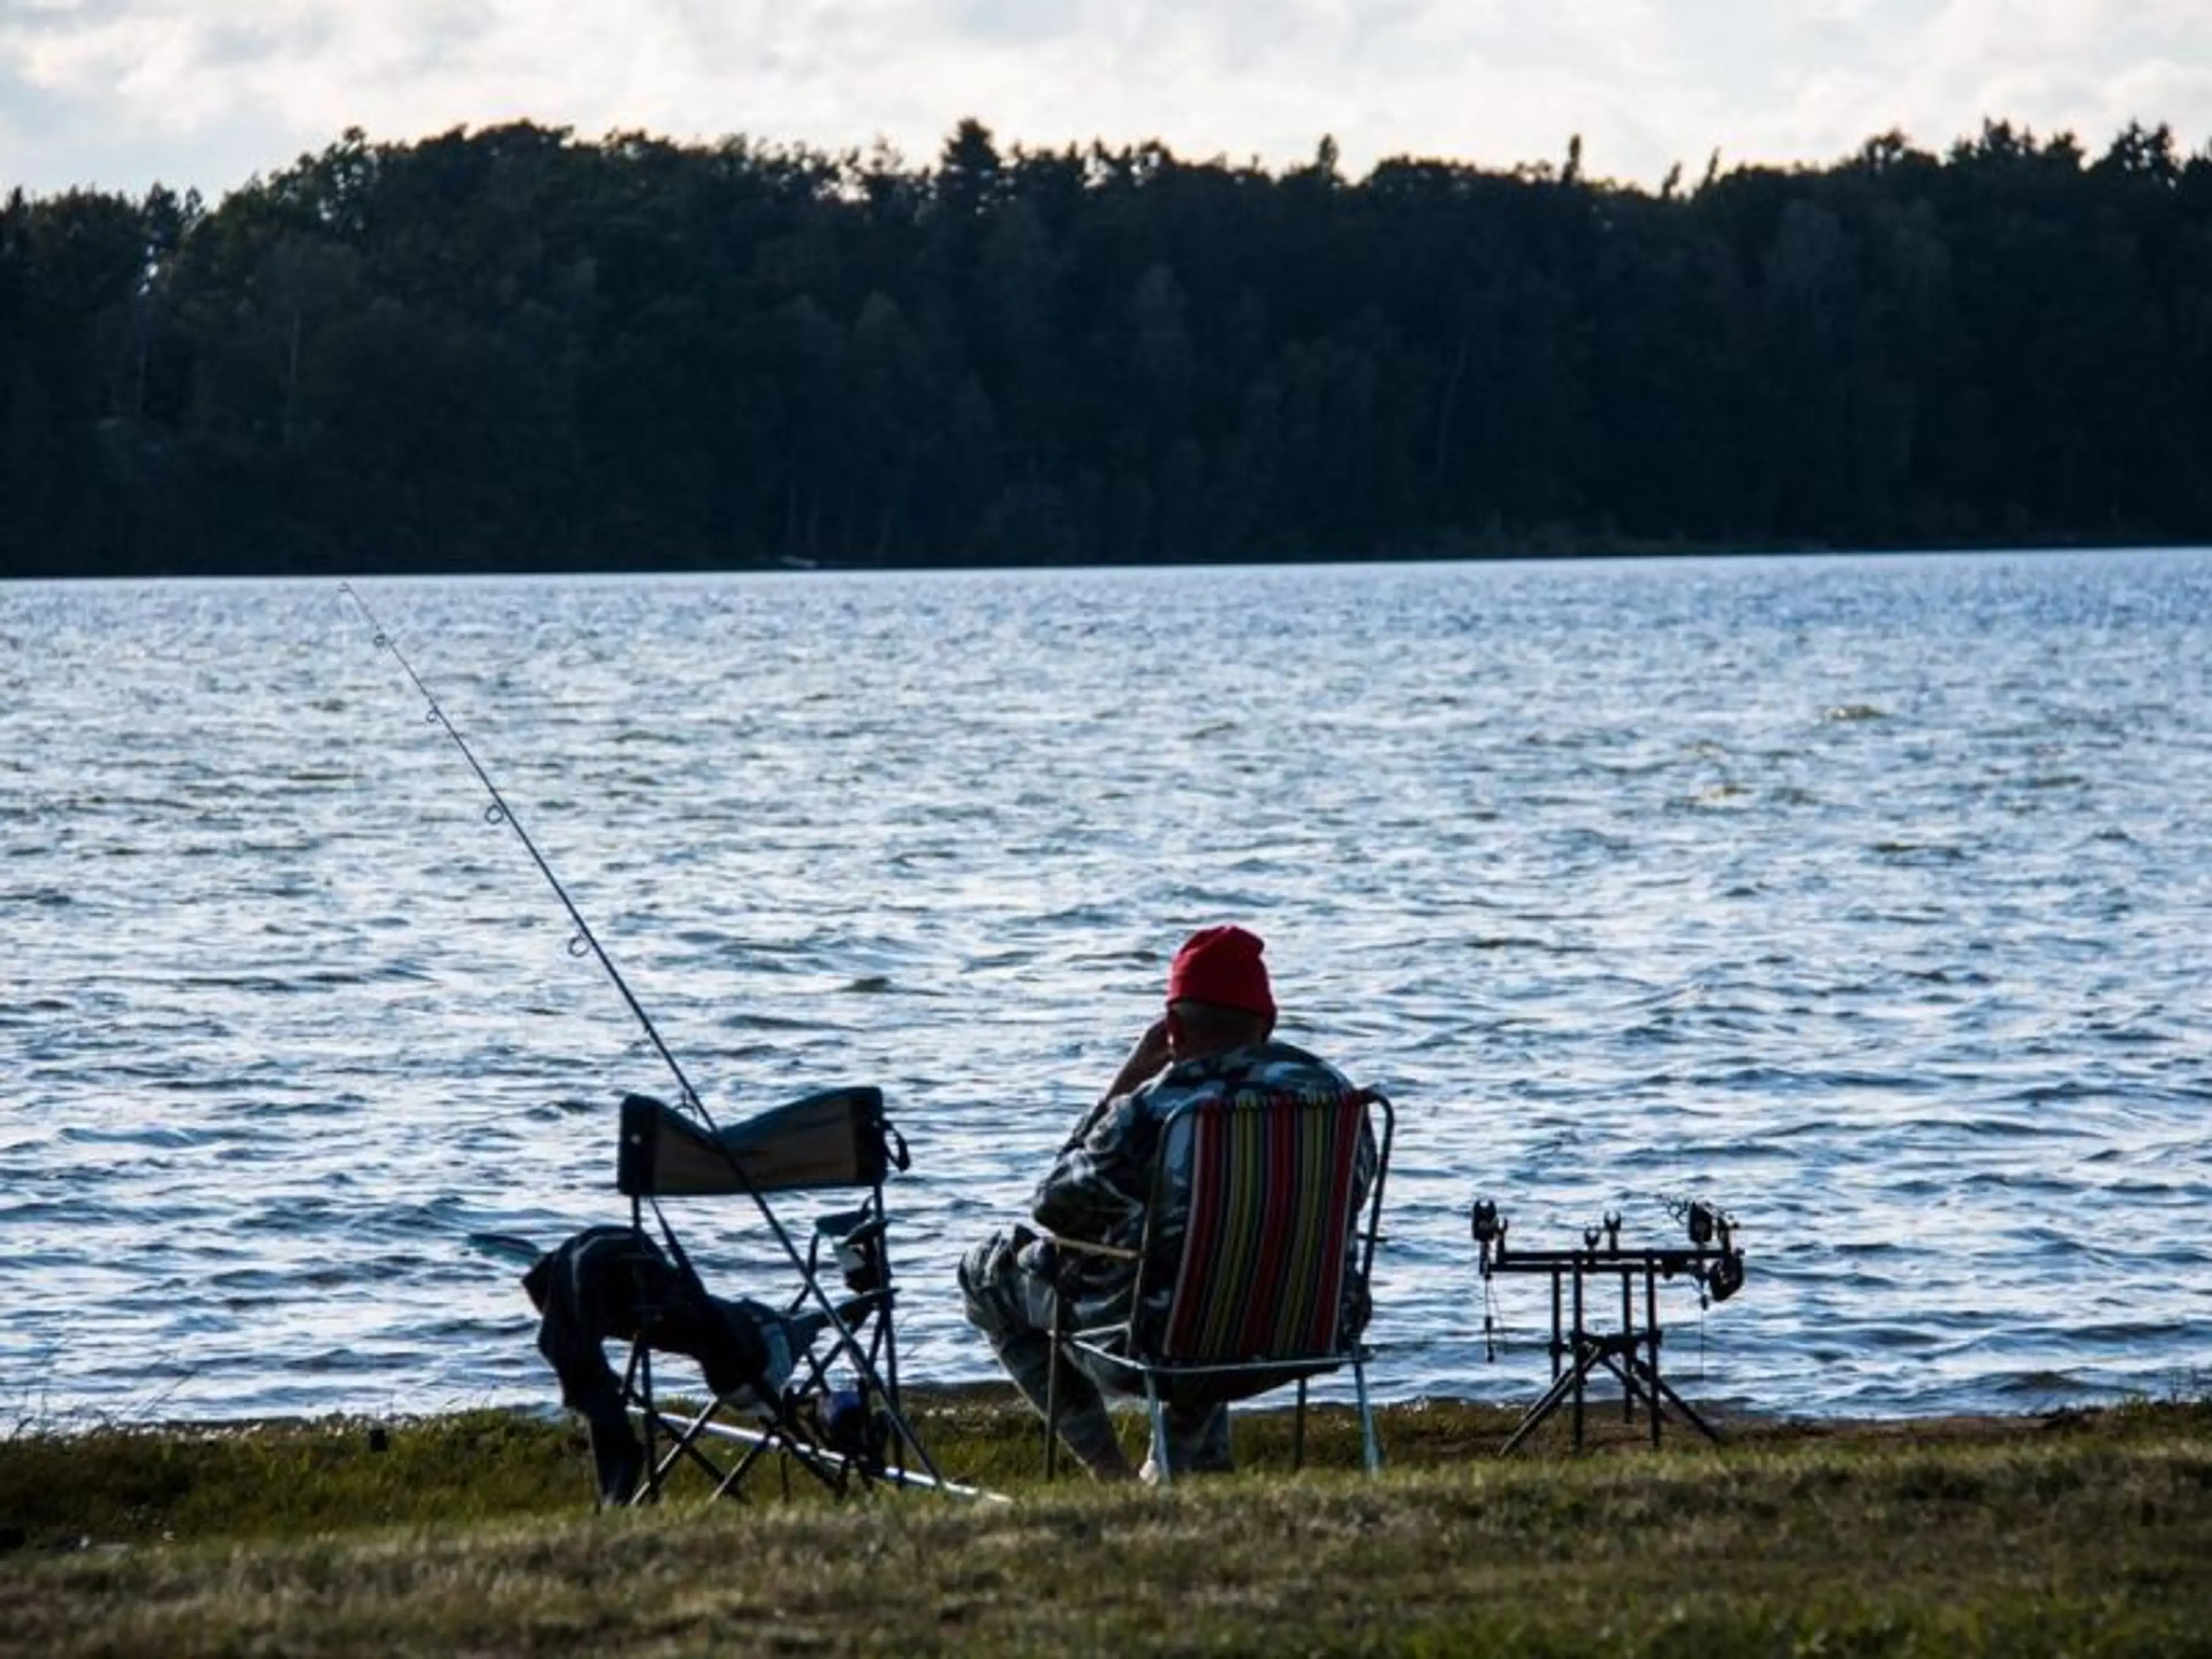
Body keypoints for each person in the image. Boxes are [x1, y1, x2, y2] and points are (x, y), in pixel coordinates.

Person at [958, 923, 1373, 1482]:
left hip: (1169, 1343)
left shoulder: (1154, 1109)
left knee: (989, 1272)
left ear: (1173, 1026)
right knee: (1208, 1255)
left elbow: (1054, 1208)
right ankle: (1189, 1463)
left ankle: (1114, 1477)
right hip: (1311, 1330)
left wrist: (1126, 1080)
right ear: (1269, 1023)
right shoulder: (1337, 1097)